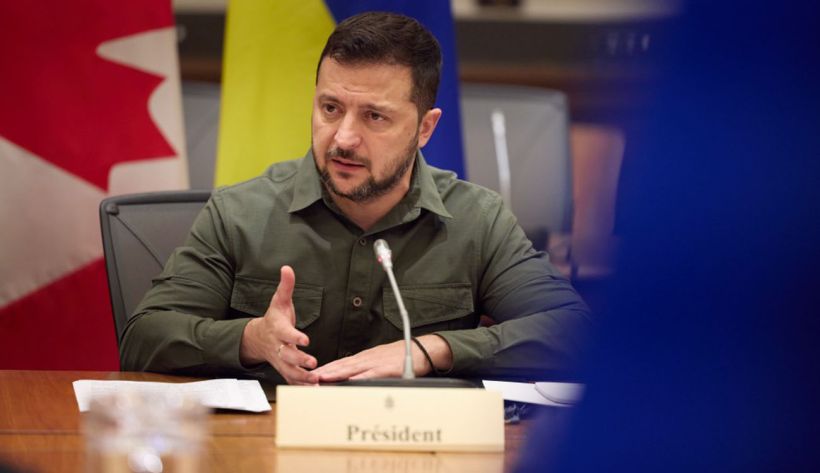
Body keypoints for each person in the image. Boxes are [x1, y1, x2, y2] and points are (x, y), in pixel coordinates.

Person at [120, 12, 591, 385]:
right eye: (330, 108)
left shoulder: (477, 220)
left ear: (425, 128)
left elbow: (576, 334)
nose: (343, 138)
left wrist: (432, 350)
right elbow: (143, 338)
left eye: (374, 117)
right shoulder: (241, 213)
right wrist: (250, 339)